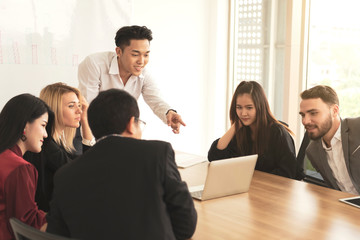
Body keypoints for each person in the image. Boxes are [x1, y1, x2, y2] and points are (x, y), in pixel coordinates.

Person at [46, 89, 197, 240]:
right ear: (131, 124)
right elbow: (186, 225)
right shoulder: (157, 153)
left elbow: (56, 233)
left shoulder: (64, 175)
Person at [78, 25, 185, 134]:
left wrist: (168, 112)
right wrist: (90, 143)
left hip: (119, 131)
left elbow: (156, 100)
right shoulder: (94, 64)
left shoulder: (144, 73)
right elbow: (88, 109)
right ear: (119, 52)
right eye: (135, 54)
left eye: (146, 55)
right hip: (85, 128)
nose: (141, 61)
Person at [208, 81, 304, 180]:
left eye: (249, 108)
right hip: (249, 188)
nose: (243, 113)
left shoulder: (277, 133)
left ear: (260, 107)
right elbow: (214, 158)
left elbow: (288, 173)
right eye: (239, 107)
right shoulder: (242, 131)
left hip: (272, 190)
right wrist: (234, 127)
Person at [24, 82, 94, 211]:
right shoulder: (46, 145)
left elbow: (88, 163)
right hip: (47, 220)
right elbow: (85, 175)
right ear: (53, 109)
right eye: (71, 106)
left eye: (79, 106)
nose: (79, 111)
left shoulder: (59, 144)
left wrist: (84, 120)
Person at [0, 94, 50, 240]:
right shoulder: (20, 168)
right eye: (43, 125)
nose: (46, 134)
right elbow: (28, 222)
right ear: (24, 125)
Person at [299, 85, 360, 194]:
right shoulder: (312, 151)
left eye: (313, 113)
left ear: (334, 111)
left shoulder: (357, 127)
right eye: (303, 115)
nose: (305, 121)